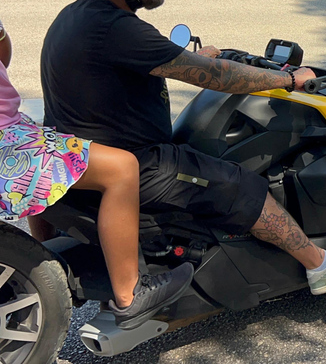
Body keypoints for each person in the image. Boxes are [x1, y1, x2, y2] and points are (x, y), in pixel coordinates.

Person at [40, 0, 326, 297]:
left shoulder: (77, 17)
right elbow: (220, 78)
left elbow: (139, 63)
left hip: (83, 156)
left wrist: (196, 58)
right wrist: (289, 79)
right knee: (241, 186)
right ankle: (321, 265)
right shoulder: (118, 28)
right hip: (140, 163)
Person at [0, 18, 194, 329]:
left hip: (11, 129)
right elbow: (2, 49)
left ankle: (43, 254)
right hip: (6, 139)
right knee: (122, 167)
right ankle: (131, 294)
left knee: (46, 146)